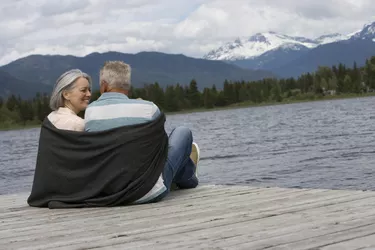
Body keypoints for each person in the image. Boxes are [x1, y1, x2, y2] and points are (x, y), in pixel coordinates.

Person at [84, 61, 200, 204]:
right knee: (183, 132)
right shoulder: (148, 108)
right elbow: (161, 148)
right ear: (127, 85)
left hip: (109, 191)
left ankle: (187, 173)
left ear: (104, 85)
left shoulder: (90, 112)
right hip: (147, 192)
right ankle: (189, 178)